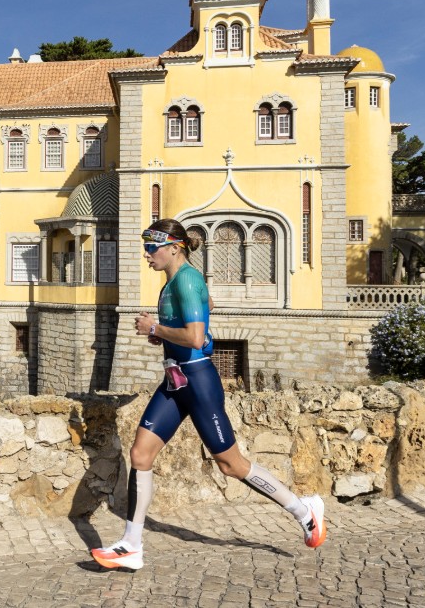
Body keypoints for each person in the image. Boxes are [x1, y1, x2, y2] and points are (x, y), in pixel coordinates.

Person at [91, 219, 327, 571]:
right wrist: (168, 335)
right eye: (146, 247)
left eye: (151, 247)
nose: (146, 254)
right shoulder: (178, 280)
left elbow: (198, 338)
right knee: (140, 454)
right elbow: (207, 304)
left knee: (231, 465)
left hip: (198, 382)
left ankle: (303, 510)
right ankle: (131, 546)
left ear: (174, 247)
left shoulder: (186, 279)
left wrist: (154, 328)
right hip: (175, 382)